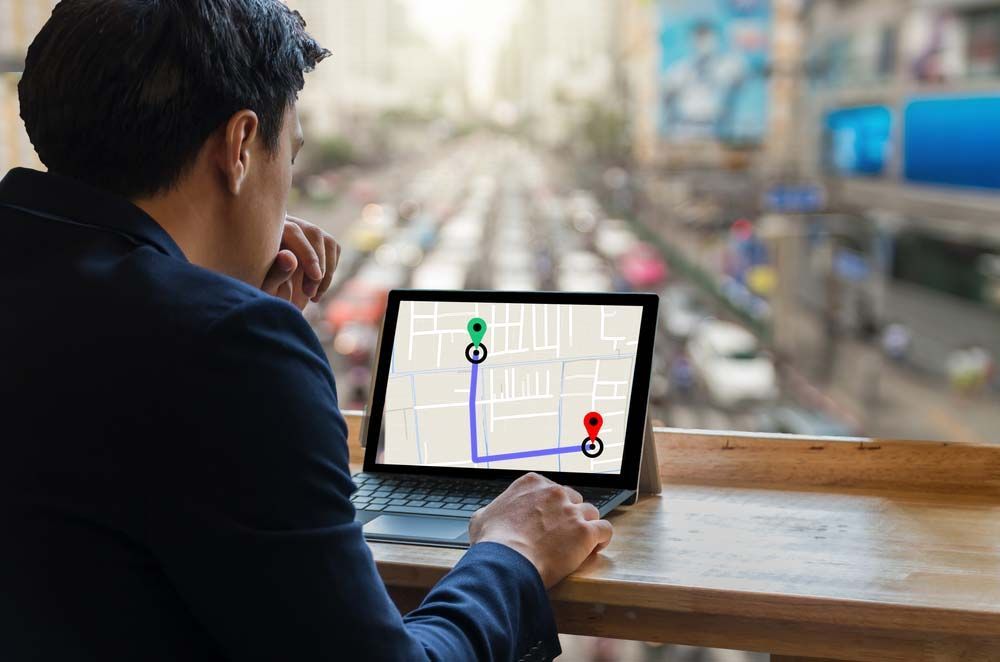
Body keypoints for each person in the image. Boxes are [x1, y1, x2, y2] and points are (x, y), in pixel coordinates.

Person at [0, 2, 612, 660]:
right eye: (287, 157)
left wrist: (213, 292)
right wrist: (511, 552)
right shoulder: (230, 347)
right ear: (239, 148)